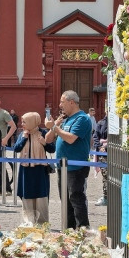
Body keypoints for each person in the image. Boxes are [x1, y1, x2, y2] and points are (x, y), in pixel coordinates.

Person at [45, 90, 93, 230]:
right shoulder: (66, 119)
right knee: (65, 200)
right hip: (63, 167)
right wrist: (55, 126)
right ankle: (69, 230)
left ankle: (83, 229)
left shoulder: (82, 119)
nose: (60, 105)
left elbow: (71, 138)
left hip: (76, 167)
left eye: (62, 102)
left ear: (71, 102)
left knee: (76, 199)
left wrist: (54, 127)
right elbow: (48, 140)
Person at [11, 112, 54, 226]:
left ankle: (42, 224)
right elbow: (16, 149)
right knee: (27, 196)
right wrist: (23, 138)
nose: (22, 124)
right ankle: (28, 223)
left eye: (25, 122)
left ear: (32, 121)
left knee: (41, 197)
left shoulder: (43, 133)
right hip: (26, 171)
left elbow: (52, 149)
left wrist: (44, 143)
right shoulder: (23, 134)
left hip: (40, 171)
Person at [92, 114, 109, 207]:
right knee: (105, 177)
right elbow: (95, 136)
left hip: (113, 152)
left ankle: (116, 196)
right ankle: (106, 197)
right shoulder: (101, 123)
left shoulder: (117, 122)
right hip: (103, 154)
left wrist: (107, 146)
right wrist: (99, 146)